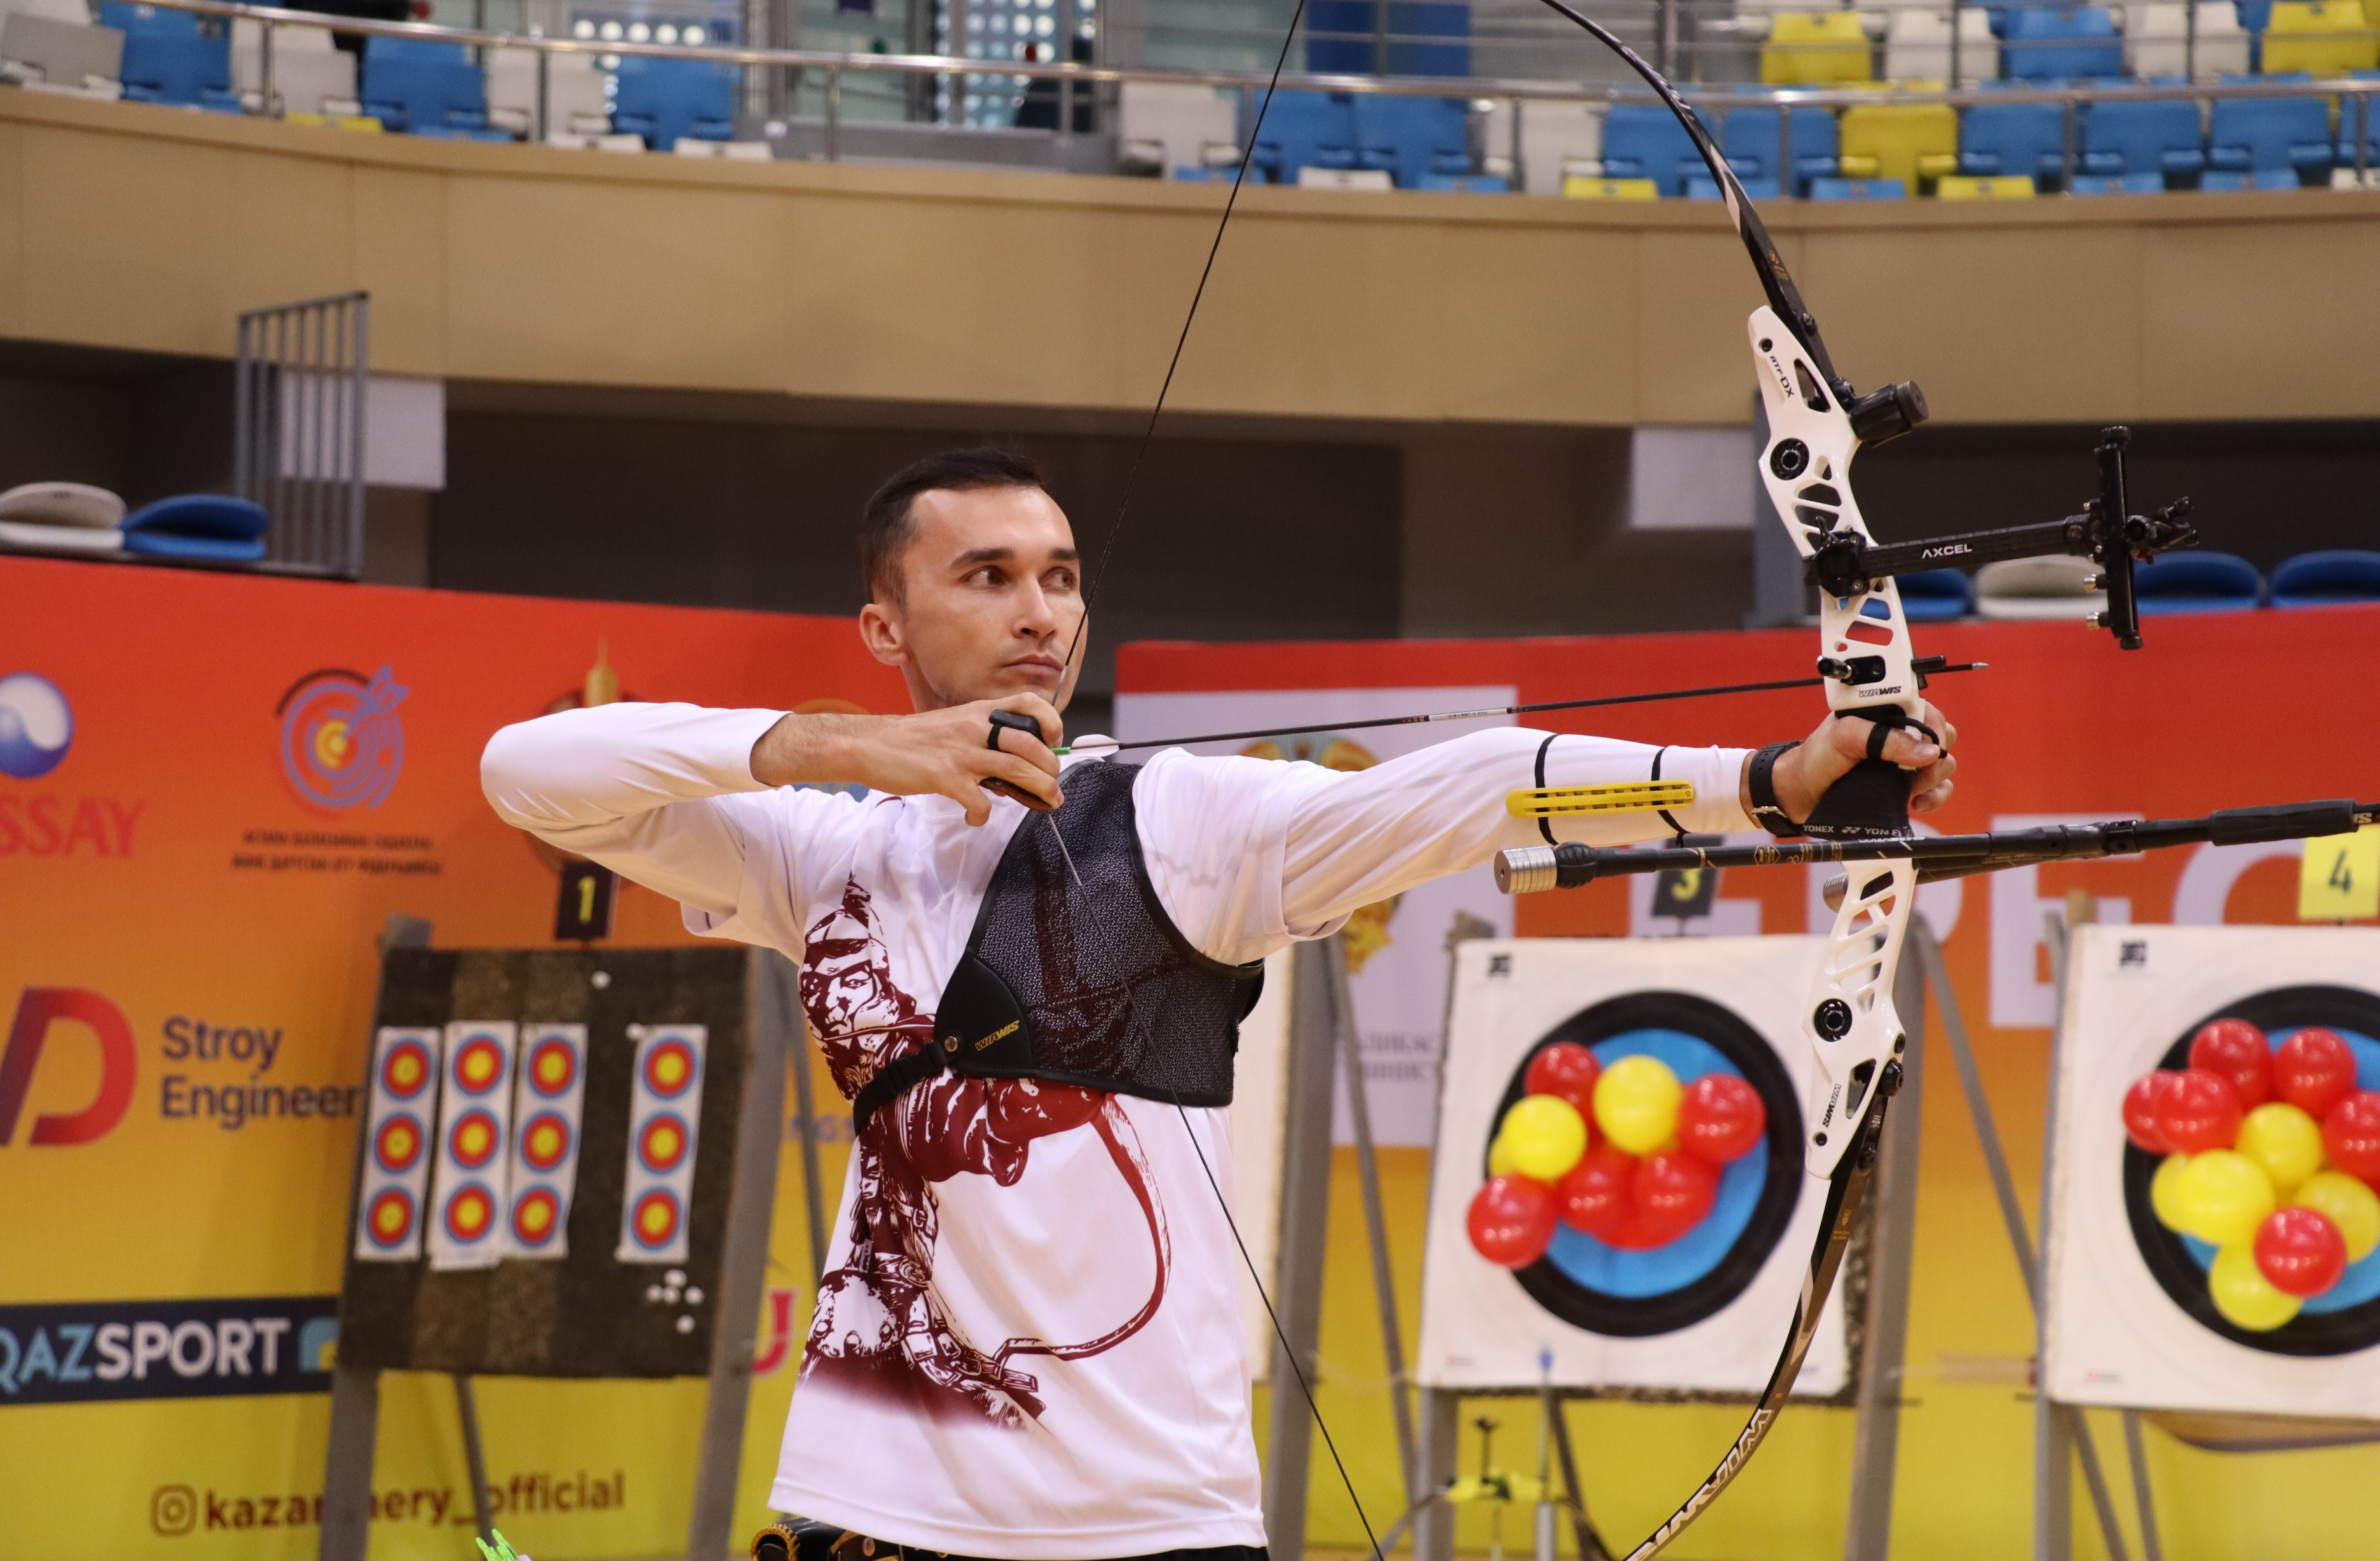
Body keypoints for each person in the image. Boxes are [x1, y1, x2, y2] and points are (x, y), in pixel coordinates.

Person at [480, 447, 1956, 1561]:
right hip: (875, 1499)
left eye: (1061, 576)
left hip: (1147, 1512)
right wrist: (847, 748)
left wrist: (1766, 782)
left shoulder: (1169, 818)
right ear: (885, 627)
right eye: (986, 576)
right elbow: (526, 774)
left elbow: (1476, 783)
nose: (1040, 611)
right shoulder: (823, 852)